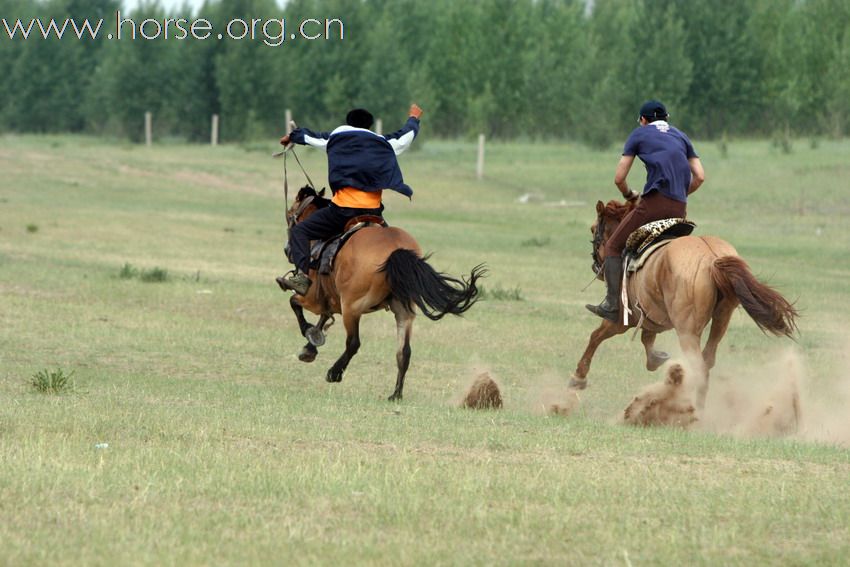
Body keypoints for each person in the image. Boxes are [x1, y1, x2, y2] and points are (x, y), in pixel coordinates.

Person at [276, 104, 424, 295]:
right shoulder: (382, 142)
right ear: (369, 126)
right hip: (373, 213)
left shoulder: (337, 137)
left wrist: (293, 136)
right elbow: (405, 137)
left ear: (349, 122)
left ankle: (302, 278)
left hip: (342, 212)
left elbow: (311, 137)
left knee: (300, 231)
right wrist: (413, 118)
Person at [586, 100, 705, 321]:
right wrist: (679, 193)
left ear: (643, 120)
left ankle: (612, 304)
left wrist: (629, 195)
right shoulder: (681, 136)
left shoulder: (638, 135)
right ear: (666, 119)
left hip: (653, 205)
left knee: (612, 245)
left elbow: (619, 178)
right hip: (680, 209)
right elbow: (700, 176)